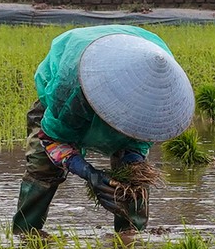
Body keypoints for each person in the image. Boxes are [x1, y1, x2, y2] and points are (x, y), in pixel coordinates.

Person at [13, 24, 194, 234]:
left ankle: (131, 237)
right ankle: (25, 235)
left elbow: (143, 134)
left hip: (133, 56)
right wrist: (89, 174)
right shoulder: (70, 89)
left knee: (133, 178)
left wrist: (132, 162)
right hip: (73, 74)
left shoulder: (157, 83)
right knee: (42, 167)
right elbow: (52, 138)